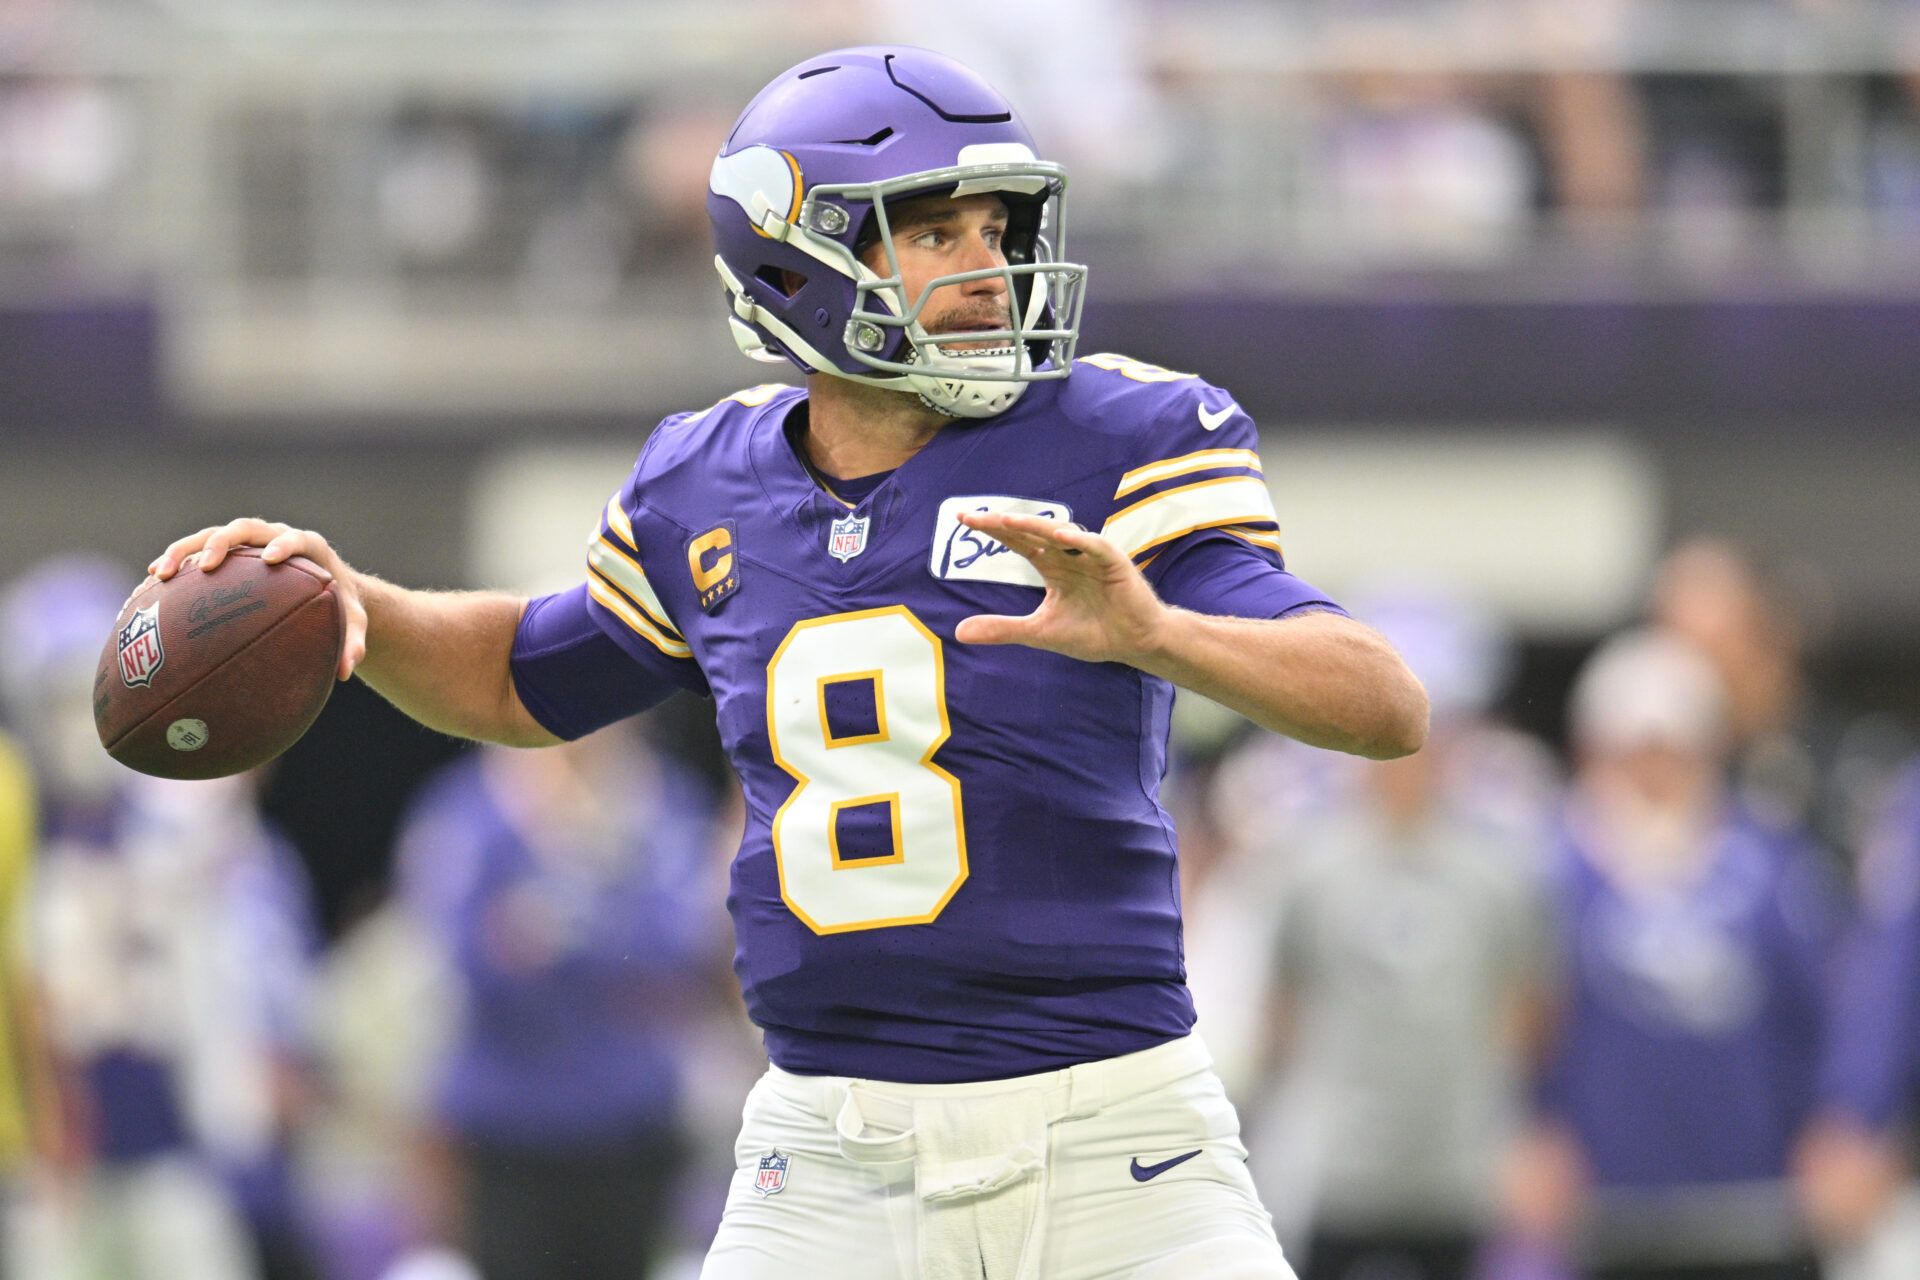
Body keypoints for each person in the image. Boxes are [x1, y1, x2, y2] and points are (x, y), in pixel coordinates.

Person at [148, 46, 1427, 1279]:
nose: (988, 270)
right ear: (800, 259)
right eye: (936, 233)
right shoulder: (706, 481)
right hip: (828, 1153)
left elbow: (1382, 701)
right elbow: (522, 679)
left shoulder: (1114, 437)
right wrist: (351, 603)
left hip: (1117, 1134)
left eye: (998, 229)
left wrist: (1162, 635)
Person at [1513, 630, 1838, 1280]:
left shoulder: (1771, 866)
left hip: (1751, 1198)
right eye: (1634, 752)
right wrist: (1528, 1127)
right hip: (1603, 1204)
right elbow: (1520, 1020)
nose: (1654, 773)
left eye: (1672, 752)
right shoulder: (1548, 870)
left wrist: (1829, 1126)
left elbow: (1818, 1011)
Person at [393, 724, 729, 1279]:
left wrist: (557, 921)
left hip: (631, 1128)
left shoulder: (664, 803)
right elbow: (463, 964)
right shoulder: (471, 807)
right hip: (511, 1131)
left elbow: (681, 954)